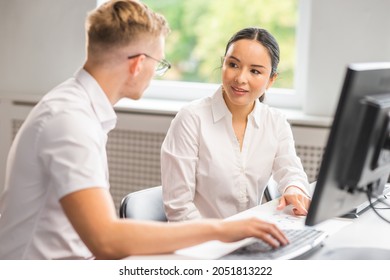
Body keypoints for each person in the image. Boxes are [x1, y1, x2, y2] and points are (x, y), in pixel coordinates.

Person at [0, 1, 289, 260]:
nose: (155, 72)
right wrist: (222, 230)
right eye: (159, 64)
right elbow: (106, 240)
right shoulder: (69, 121)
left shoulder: (78, 108)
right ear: (139, 64)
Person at [161, 27, 311, 222]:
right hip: (202, 240)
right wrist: (225, 237)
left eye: (255, 71)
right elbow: (178, 208)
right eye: (233, 65)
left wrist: (294, 188)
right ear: (223, 64)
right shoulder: (191, 119)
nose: (240, 78)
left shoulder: (276, 122)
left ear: (271, 80)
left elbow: (291, 172)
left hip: (249, 238)